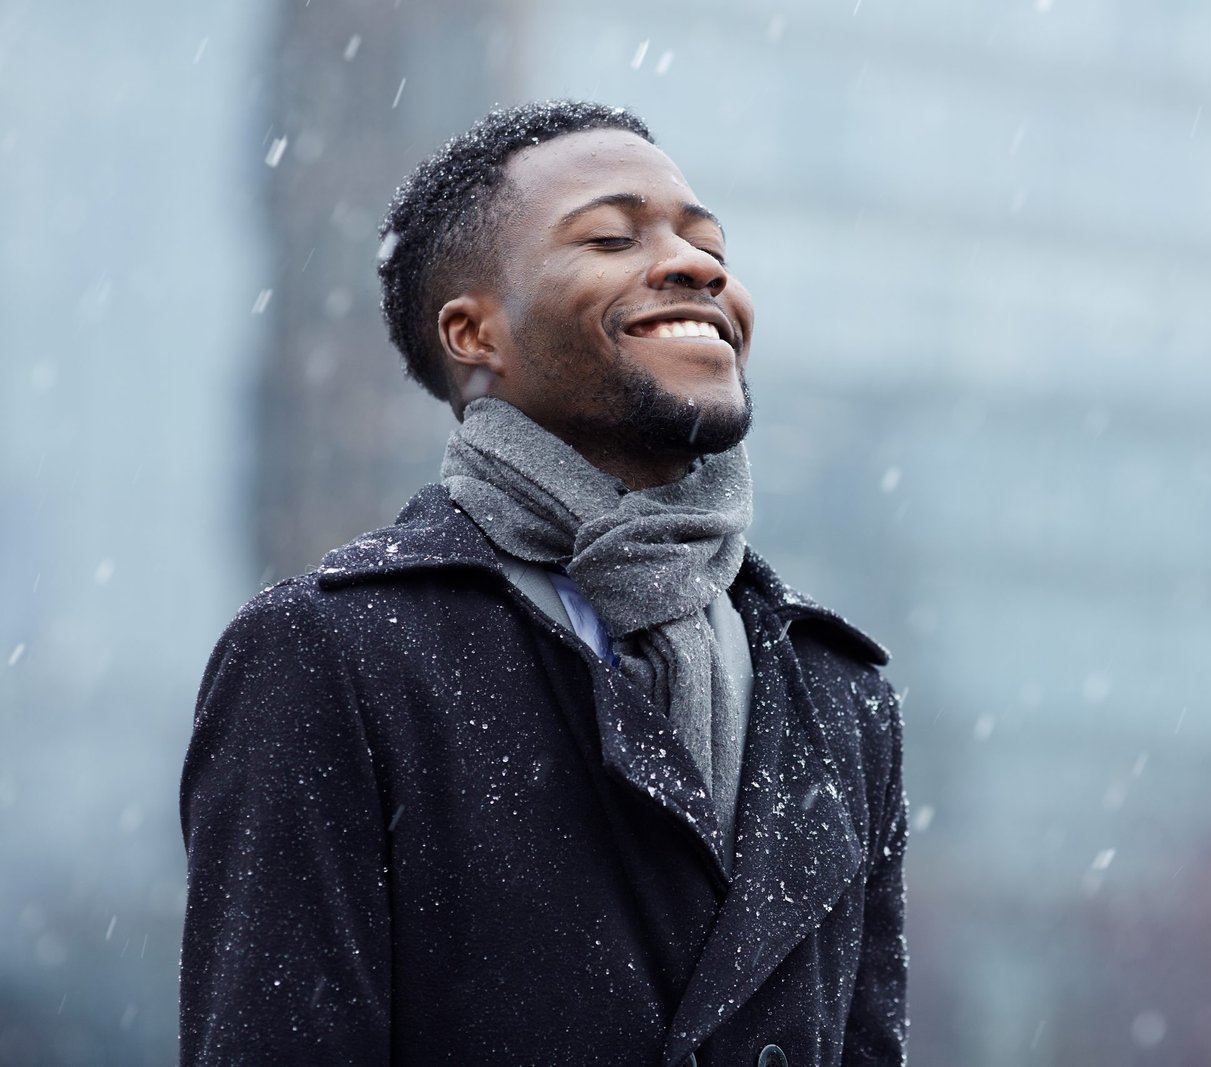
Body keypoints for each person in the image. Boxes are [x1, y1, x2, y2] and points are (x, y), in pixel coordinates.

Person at [178, 100, 907, 1066]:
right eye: (610, 237)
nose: (699, 267)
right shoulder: (328, 659)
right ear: (474, 334)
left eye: (709, 243)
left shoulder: (837, 693)